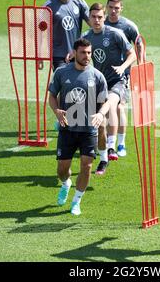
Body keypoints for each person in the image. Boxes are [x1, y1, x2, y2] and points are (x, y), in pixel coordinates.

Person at [48, 38, 110, 216]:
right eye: (83, 52)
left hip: (88, 130)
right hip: (67, 129)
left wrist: (100, 114)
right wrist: (56, 111)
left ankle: (76, 201)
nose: (87, 56)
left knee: (87, 166)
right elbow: (52, 96)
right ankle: (66, 183)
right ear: (75, 53)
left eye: (89, 52)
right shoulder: (61, 73)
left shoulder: (97, 76)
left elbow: (105, 103)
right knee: (62, 169)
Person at [79, 3, 137, 175]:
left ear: (104, 18)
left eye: (99, 17)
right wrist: (71, 56)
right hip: (99, 82)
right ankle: (104, 159)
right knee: (100, 125)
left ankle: (113, 146)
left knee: (113, 104)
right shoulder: (86, 36)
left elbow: (132, 54)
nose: (96, 20)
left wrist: (123, 67)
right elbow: (80, 54)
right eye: (93, 17)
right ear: (89, 18)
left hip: (118, 80)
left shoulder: (115, 34)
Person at [105, 0, 143, 157]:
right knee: (106, 108)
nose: (113, 11)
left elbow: (139, 44)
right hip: (103, 74)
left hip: (123, 75)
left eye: (117, 8)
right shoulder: (102, 23)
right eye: (111, 7)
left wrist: (140, 65)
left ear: (121, 9)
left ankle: (120, 143)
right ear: (106, 7)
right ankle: (108, 141)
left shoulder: (128, 26)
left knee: (120, 107)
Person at [43, 0, 90, 71]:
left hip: (77, 52)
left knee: (78, 82)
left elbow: (94, 25)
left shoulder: (79, 2)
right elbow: (40, 32)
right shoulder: (48, 6)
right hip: (58, 54)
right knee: (63, 81)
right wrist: (41, 55)